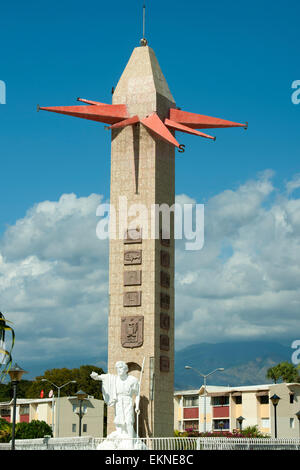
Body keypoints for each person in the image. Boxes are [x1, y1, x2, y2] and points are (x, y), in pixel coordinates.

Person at [91, 361, 140, 438]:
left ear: (126, 369)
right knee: (119, 421)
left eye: (120, 368)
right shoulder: (114, 379)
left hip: (128, 401)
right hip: (118, 402)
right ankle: (120, 435)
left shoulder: (132, 380)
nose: (118, 370)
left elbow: (137, 394)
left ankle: (131, 440)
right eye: (117, 368)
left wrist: (137, 406)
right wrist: (96, 377)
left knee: (129, 421)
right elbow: (105, 377)